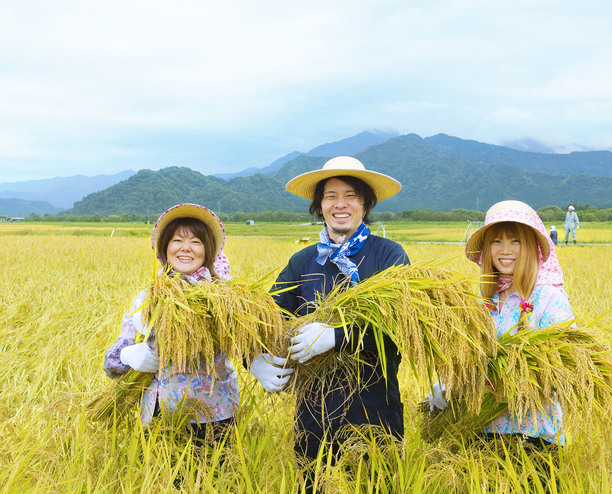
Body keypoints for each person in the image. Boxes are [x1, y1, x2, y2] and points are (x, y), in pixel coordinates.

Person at [249, 156, 409, 491]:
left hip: (375, 409)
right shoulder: (303, 262)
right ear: (319, 206)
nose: (340, 204)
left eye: (350, 195)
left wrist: (337, 336)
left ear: (365, 203)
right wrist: (253, 359)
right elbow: (266, 319)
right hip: (314, 413)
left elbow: (399, 324)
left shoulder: (389, 256)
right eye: (330, 195)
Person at [429, 200, 573, 450]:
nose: (505, 250)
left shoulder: (549, 298)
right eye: (497, 241)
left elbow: (566, 370)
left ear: (530, 246)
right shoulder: (484, 300)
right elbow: (469, 357)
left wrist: (511, 381)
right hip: (480, 431)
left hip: (534, 437)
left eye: (515, 241)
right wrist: (449, 384)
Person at [103, 203, 239, 443]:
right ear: (164, 248)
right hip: (159, 413)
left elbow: (251, 345)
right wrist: (127, 356)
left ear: (208, 250)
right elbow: (113, 363)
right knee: (160, 479)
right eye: (177, 240)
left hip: (214, 413)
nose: (186, 248)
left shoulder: (225, 298)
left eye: (196, 241)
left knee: (214, 479)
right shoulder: (146, 298)